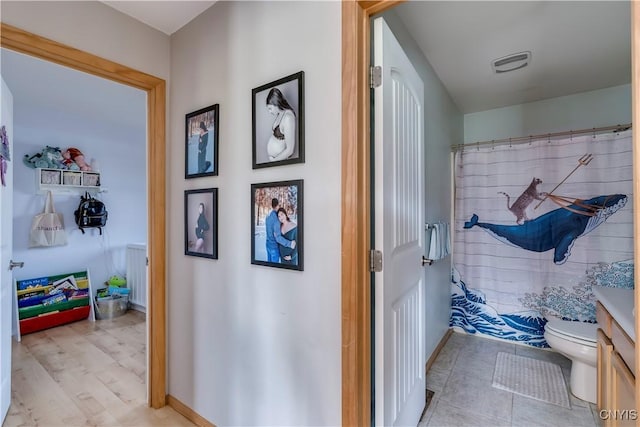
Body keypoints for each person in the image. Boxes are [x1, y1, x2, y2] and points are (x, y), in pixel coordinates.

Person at [265, 88, 296, 162]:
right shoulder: (280, 113)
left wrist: (274, 161)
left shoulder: (288, 117)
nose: (269, 112)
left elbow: (290, 150)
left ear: (276, 103)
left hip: (278, 161)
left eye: (270, 108)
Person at [265, 198, 295, 262]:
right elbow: (278, 238)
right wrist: (290, 244)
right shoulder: (276, 219)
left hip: (268, 245)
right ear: (278, 205)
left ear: (272, 205)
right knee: (274, 269)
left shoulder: (267, 216)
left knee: (269, 267)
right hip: (274, 247)